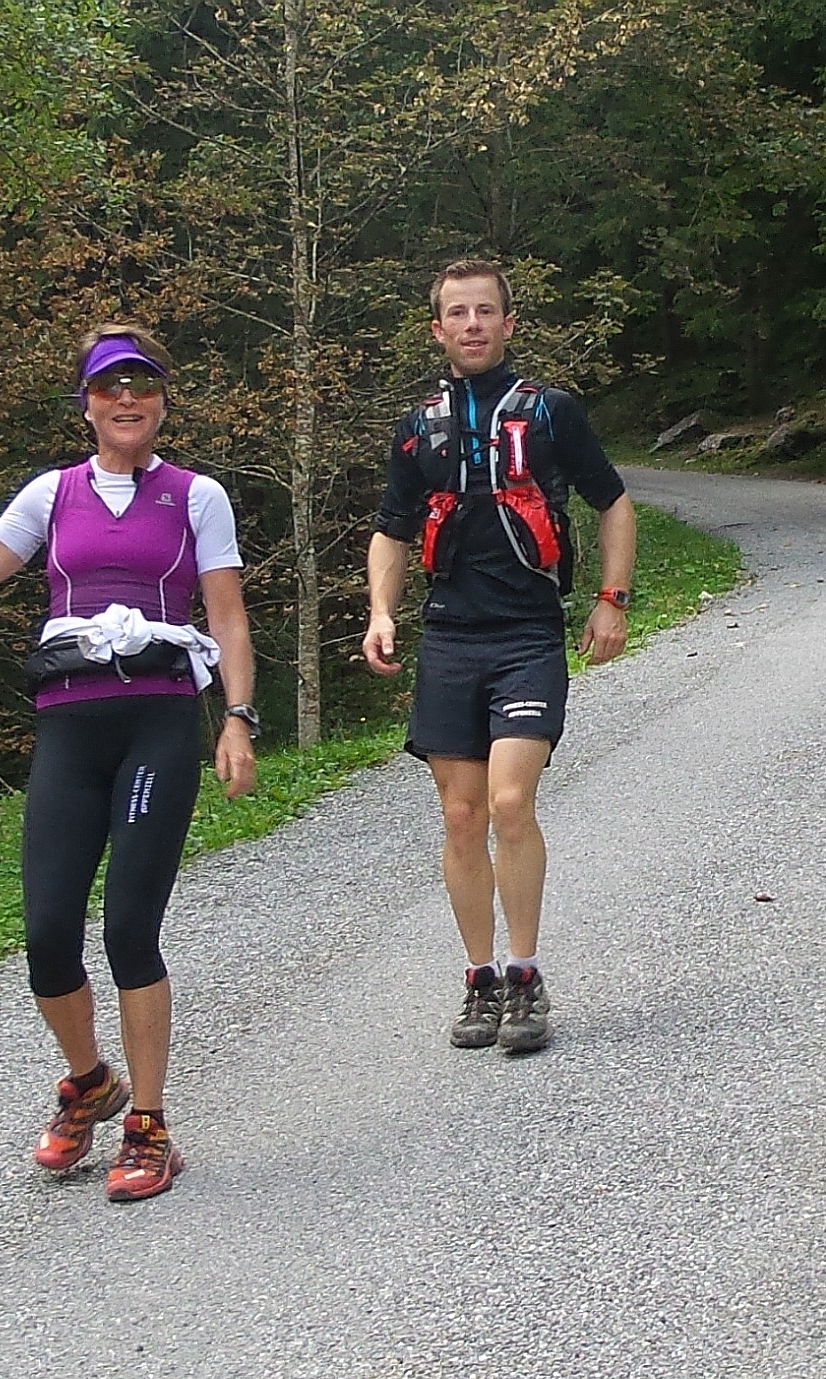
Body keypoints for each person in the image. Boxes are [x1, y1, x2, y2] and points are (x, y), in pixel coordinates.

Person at [0, 322, 259, 1201]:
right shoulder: (53, 493)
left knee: (127, 930)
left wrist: (237, 719)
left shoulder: (196, 496)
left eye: (142, 385)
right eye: (110, 386)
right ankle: (88, 1082)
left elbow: (227, 616)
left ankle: (148, 1126)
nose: (127, 399)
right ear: (86, 404)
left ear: (162, 402)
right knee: (47, 935)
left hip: (158, 722)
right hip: (70, 728)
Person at [363, 259, 637, 1053]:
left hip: (527, 634)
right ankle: (479, 979)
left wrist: (612, 598)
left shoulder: (550, 411)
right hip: (450, 635)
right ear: (438, 329)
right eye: (458, 313)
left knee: (510, 802)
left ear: (509, 324)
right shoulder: (418, 426)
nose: (473, 324)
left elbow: (613, 500)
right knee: (461, 814)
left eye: (486, 311)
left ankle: (525, 973)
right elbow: (392, 529)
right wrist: (380, 612)